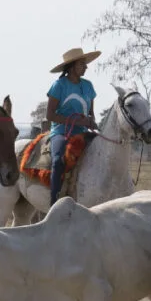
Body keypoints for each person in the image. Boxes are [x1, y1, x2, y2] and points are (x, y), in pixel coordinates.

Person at [45, 47, 100, 205]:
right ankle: (54, 202)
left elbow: (90, 113)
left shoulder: (88, 86)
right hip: (61, 132)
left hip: (83, 132)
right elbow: (50, 115)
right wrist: (76, 122)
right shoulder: (59, 86)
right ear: (72, 66)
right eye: (82, 64)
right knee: (57, 160)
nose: (86, 67)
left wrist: (90, 120)